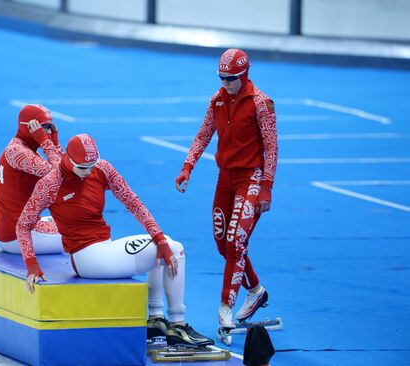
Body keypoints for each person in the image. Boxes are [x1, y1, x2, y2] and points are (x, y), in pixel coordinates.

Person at [16, 134, 214, 347]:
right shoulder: (51, 184)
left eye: (93, 165)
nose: (90, 171)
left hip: (105, 248)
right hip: (87, 257)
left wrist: (158, 236)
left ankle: (156, 320)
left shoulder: (102, 168)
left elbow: (133, 202)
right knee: (176, 249)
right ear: (68, 160)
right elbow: (23, 225)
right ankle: (178, 325)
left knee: (163, 243)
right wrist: (32, 265)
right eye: (84, 168)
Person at [175, 49, 278, 331]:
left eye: (231, 78)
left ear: (244, 75)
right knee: (224, 244)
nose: (225, 83)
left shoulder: (261, 103)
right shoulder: (217, 100)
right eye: (221, 78)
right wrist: (188, 166)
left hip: (252, 180)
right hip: (226, 178)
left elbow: (271, 147)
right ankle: (256, 290)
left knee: (235, 242)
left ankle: (225, 307)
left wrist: (266, 187)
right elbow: (203, 134)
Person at [0, 104, 63, 255]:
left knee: (63, 218)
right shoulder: (19, 154)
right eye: (43, 126)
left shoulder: (18, 148)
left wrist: (54, 143)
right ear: (29, 127)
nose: (47, 132)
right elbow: (62, 176)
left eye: (50, 127)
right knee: (84, 229)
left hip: (9, 232)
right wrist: (49, 144)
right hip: (19, 237)